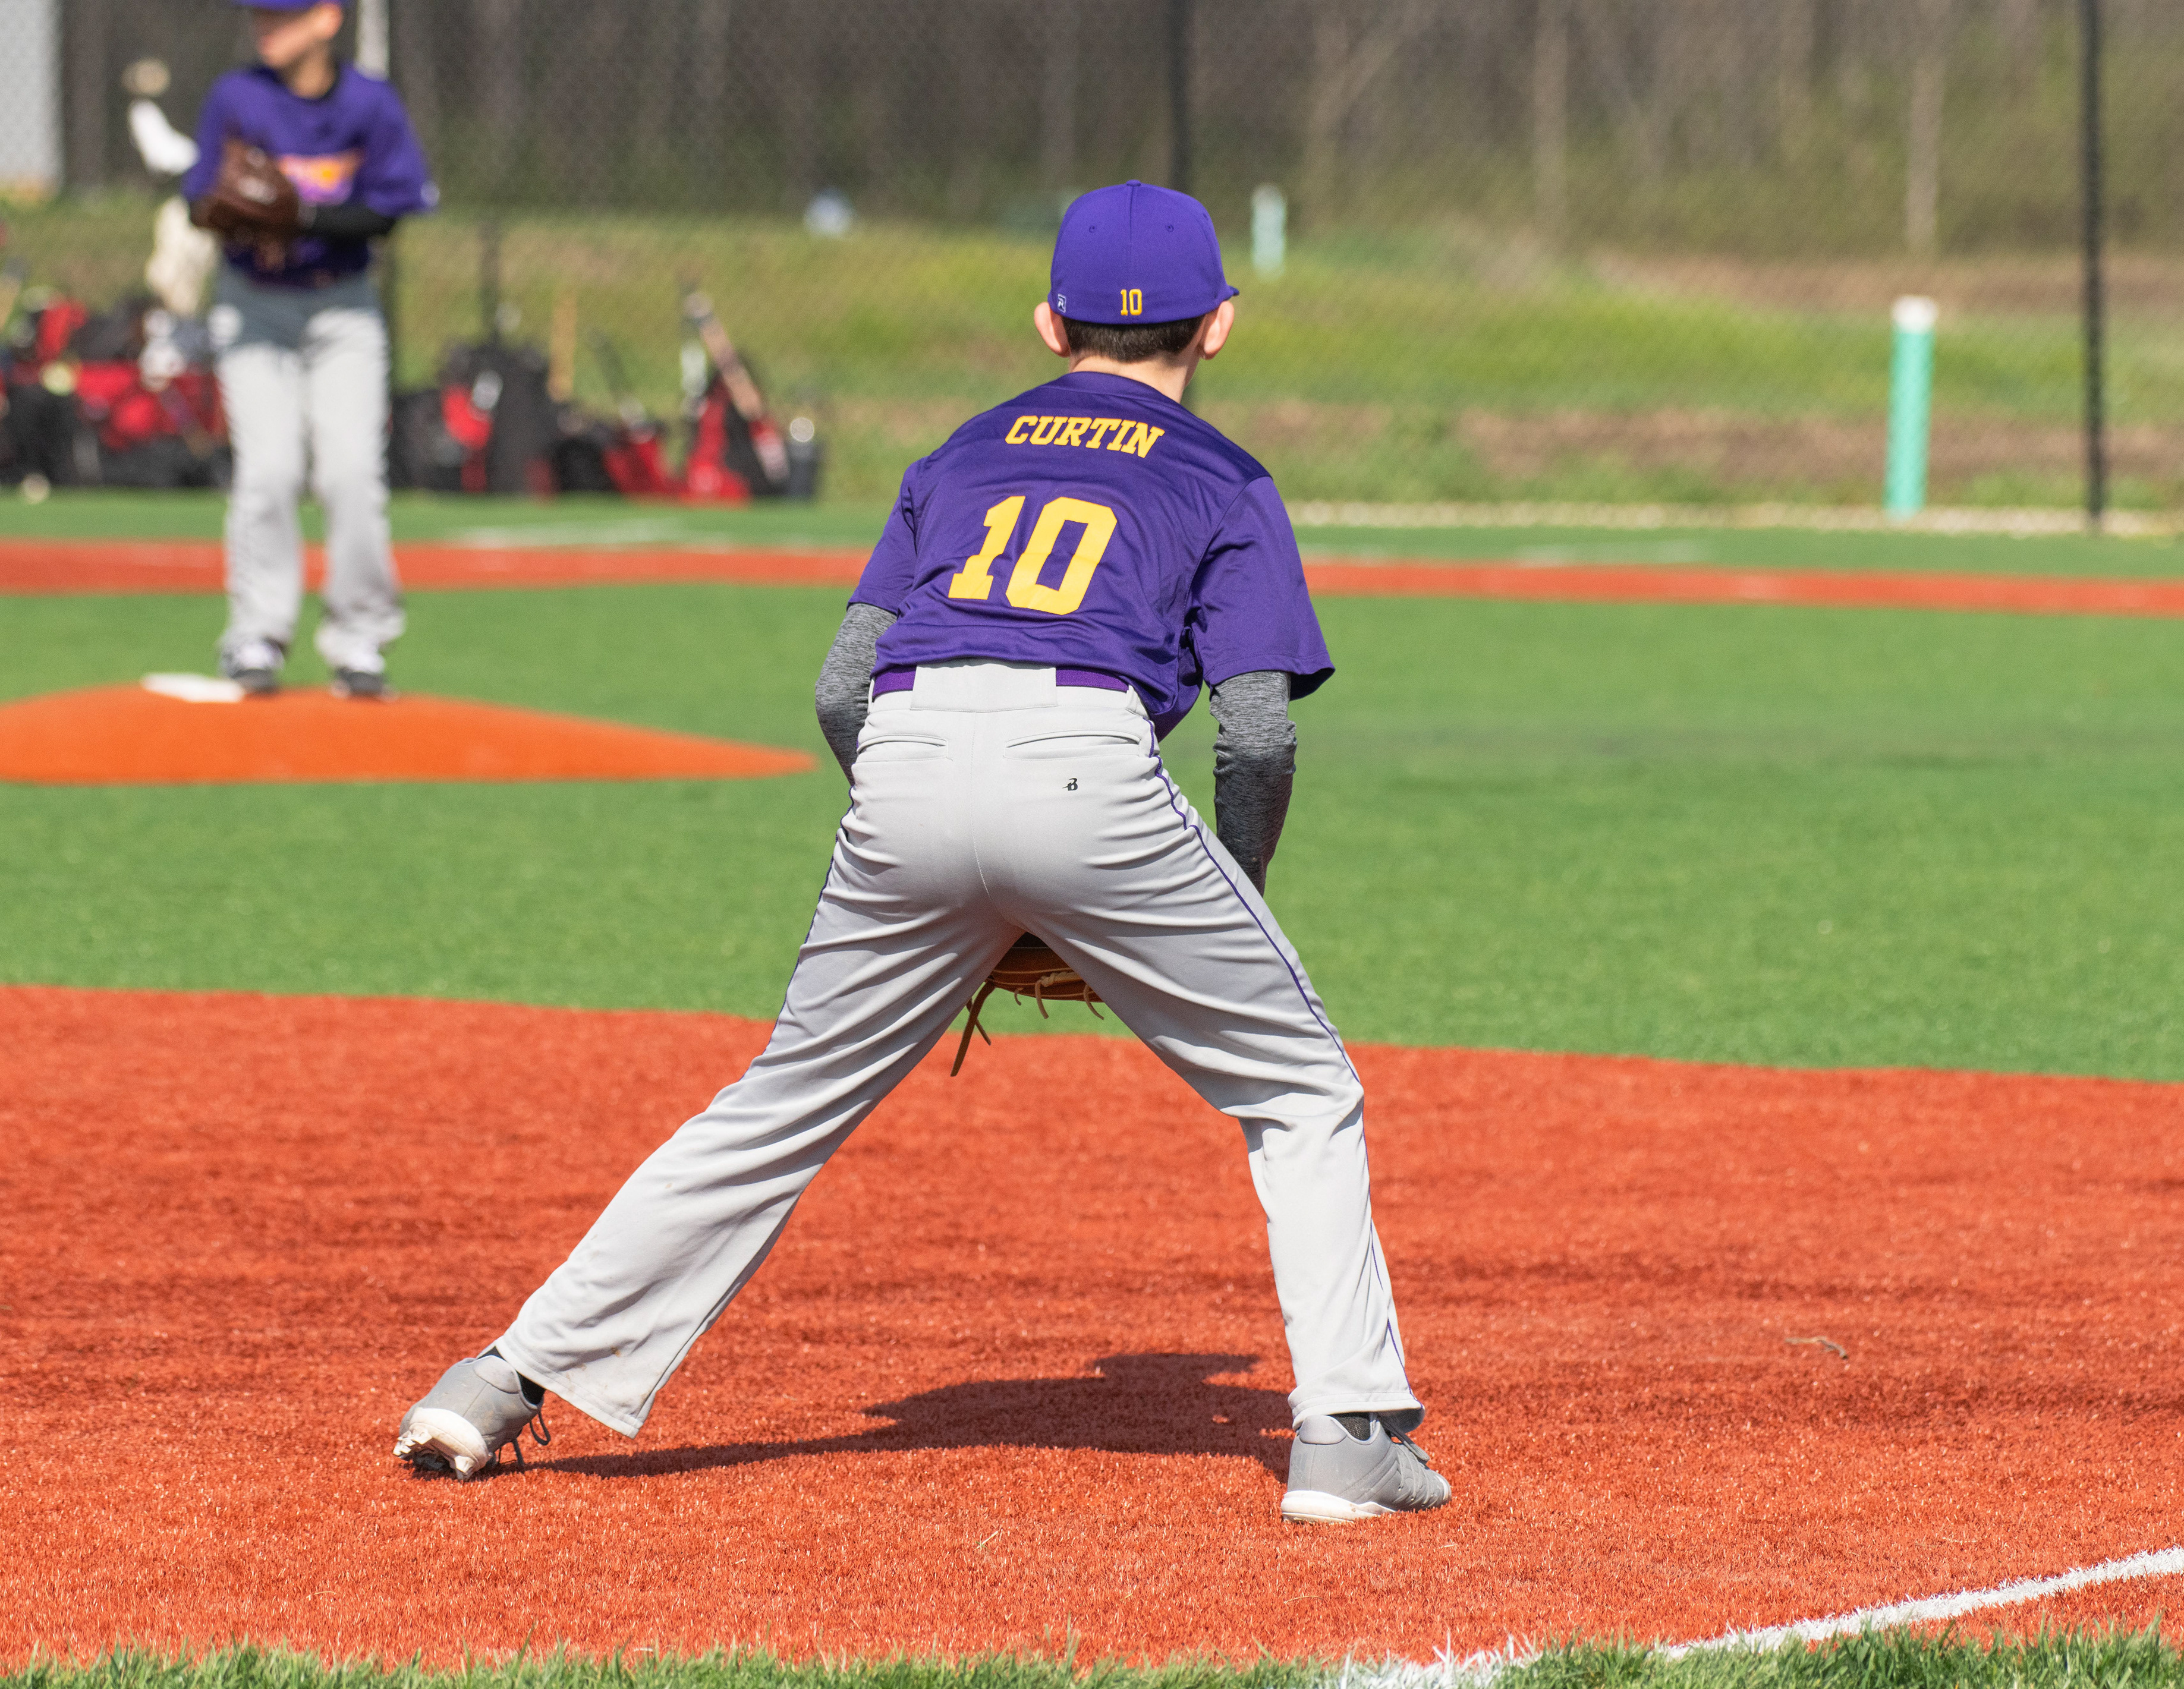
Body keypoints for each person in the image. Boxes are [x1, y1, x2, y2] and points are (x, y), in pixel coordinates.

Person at [395, 182, 1450, 1524]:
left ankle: (496, 1382)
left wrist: (946, 859)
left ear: (1049, 323)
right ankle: (1348, 1437)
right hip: (1087, 770)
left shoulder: (959, 455)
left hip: (903, 756)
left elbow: (841, 686)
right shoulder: (1222, 475)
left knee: (777, 1104)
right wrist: (1201, 902)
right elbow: (1255, 735)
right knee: (1300, 1089)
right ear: (1219, 326)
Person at [184, 2, 435, 698]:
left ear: (327, 18)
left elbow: (391, 210)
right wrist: (227, 210)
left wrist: (301, 215)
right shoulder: (237, 97)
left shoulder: (368, 103)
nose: (266, 25)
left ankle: (361, 640)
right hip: (254, 304)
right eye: (261, 14)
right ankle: (256, 636)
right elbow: (196, 199)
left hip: (343, 309)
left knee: (351, 472)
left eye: (284, 14)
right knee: (269, 469)